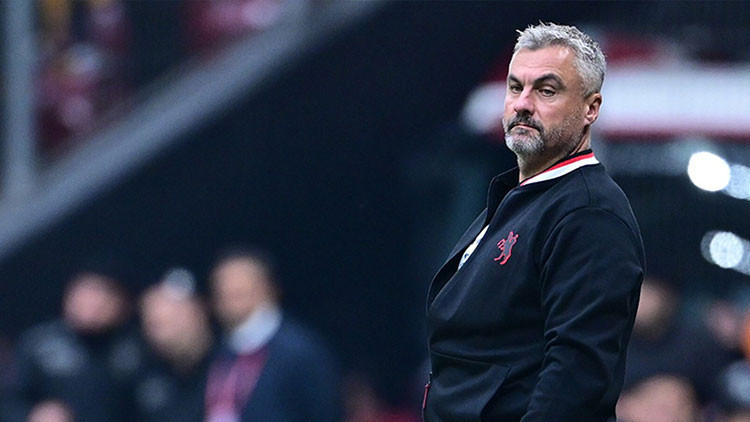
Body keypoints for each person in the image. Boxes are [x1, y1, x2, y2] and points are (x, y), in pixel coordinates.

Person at [424, 23, 645, 421]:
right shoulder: (522, 198)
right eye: (515, 87)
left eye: (546, 90)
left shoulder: (589, 213)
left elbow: (575, 379)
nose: (523, 104)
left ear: (591, 108)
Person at [205, 246, 341, 422]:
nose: (228, 299)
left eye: (238, 292)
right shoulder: (221, 350)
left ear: (267, 288)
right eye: (222, 292)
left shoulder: (299, 351)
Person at [1, 263, 145, 422]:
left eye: (104, 294)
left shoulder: (135, 348)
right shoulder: (39, 344)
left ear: (123, 304)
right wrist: (31, 415)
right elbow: (8, 402)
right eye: (86, 292)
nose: (93, 303)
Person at [133, 268, 214, 422]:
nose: (165, 334)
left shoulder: (233, 365)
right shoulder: (142, 376)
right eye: (155, 324)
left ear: (200, 313)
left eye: (175, 318)